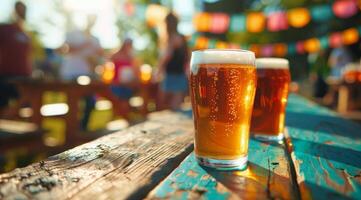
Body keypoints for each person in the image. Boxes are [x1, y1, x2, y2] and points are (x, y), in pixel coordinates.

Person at [60, 15, 102, 131]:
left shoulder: (95, 39)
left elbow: (99, 56)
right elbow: (67, 49)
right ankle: (73, 131)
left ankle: (81, 129)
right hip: (71, 73)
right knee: (74, 103)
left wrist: (94, 60)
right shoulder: (73, 33)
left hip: (88, 75)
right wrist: (85, 44)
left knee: (90, 102)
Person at [0, 1, 31, 113]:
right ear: (15, 10)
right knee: (3, 107)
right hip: (5, 76)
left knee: (25, 107)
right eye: (20, 9)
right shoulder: (5, 28)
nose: (22, 12)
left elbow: (27, 55)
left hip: (23, 76)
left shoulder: (25, 33)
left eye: (24, 10)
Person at [157, 12, 189, 110]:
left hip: (174, 75)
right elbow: (187, 57)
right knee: (173, 106)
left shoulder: (173, 37)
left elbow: (168, 55)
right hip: (178, 74)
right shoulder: (181, 37)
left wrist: (158, 69)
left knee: (169, 106)